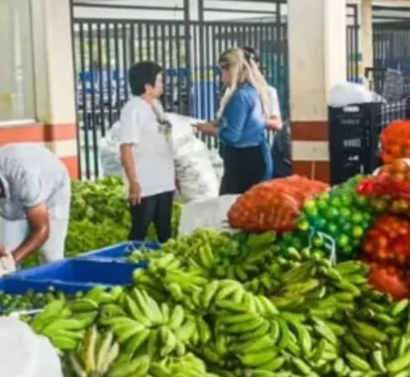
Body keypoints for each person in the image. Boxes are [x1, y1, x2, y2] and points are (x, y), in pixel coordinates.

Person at [0, 143, 71, 264]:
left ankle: (52, 281)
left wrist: (12, 260)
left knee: (50, 255)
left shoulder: (26, 180)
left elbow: (42, 230)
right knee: (6, 251)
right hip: (15, 190)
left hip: (52, 188)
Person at [193, 47, 272, 194]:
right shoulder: (255, 91)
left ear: (233, 70)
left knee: (232, 207)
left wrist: (208, 129)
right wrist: (217, 122)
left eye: (223, 71)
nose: (221, 77)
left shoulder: (240, 96)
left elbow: (232, 135)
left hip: (241, 162)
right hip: (256, 156)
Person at [117, 60, 176, 243]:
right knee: (139, 232)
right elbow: (126, 148)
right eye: (159, 81)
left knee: (165, 234)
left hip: (164, 182)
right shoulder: (133, 109)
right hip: (146, 185)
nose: (162, 84)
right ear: (147, 86)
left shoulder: (156, 106)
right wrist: (134, 181)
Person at [242, 46, 292, 178]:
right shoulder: (232, 92)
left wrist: (254, 120)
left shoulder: (268, 92)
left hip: (259, 151)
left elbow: (277, 123)